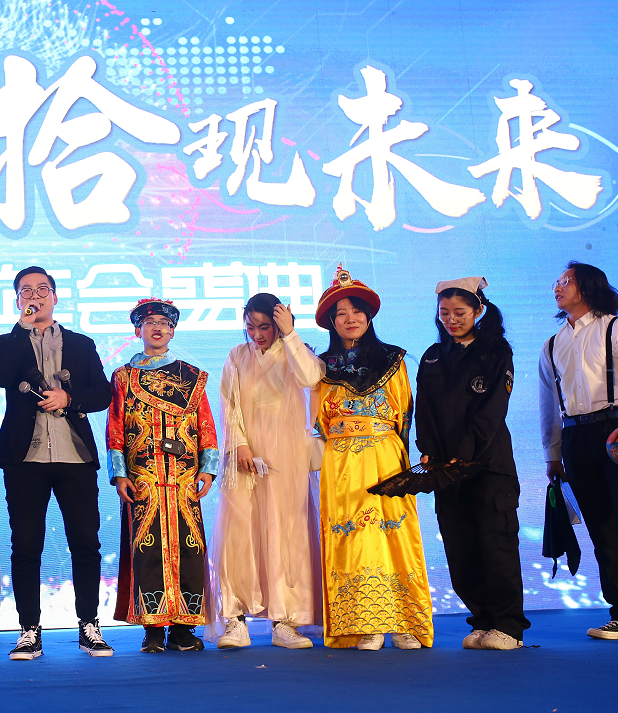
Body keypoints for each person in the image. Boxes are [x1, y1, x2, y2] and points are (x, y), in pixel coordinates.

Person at [0, 266, 114, 660]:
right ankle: (29, 630)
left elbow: (103, 393)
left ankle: (89, 626)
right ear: (17, 300)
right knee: (26, 544)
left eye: (42, 289)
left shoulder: (80, 343)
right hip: (25, 458)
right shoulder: (6, 342)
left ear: (55, 297)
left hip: (75, 456)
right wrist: (21, 327)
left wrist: (69, 399)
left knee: (85, 543)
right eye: (26, 291)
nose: (35, 296)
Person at [312, 266, 433, 650]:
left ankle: (403, 621)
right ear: (331, 321)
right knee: (352, 536)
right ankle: (365, 623)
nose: (350, 319)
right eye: (341, 313)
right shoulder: (321, 367)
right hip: (341, 460)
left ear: (369, 315)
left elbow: (404, 415)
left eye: (357, 311)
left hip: (385, 455)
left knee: (395, 533)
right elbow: (317, 419)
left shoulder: (394, 359)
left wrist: (406, 462)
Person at [206, 293, 324, 650]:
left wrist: (291, 334)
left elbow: (311, 378)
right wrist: (239, 444)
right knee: (239, 531)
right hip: (245, 456)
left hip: (286, 457)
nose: (257, 335)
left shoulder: (296, 351)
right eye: (251, 327)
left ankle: (285, 620)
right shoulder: (237, 356)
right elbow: (229, 405)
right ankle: (235, 619)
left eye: (265, 327)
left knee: (287, 531)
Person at [416, 278, 528, 650]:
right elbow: (424, 411)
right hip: (446, 471)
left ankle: (509, 626)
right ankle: (481, 620)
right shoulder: (433, 356)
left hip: (489, 466)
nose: (451, 319)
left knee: (497, 545)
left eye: (460, 312)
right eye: (444, 313)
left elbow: (492, 410)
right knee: (460, 548)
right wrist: (430, 450)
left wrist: (464, 452)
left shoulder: (496, 350)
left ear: (478, 310)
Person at [107, 298, 219, 653]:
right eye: (149, 322)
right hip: (144, 476)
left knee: (189, 547)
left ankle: (185, 627)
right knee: (147, 548)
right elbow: (115, 429)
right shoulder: (124, 377)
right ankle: (153, 628)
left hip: (183, 477)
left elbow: (205, 425)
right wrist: (119, 474)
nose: (157, 328)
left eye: (164, 323)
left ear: (172, 331)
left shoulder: (191, 377)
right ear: (137, 330)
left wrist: (208, 468)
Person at [539, 261, 618, 640]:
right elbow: (548, 404)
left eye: (566, 281)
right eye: (557, 281)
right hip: (575, 437)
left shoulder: (617, 328)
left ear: (589, 286)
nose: (557, 287)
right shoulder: (552, 343)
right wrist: (552, 454)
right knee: (601, 528)